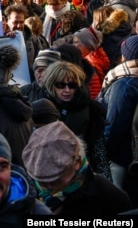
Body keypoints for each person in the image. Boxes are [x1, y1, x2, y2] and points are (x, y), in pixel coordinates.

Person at [22, 121, 131, 215]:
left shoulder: (107, 195)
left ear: (77, 162)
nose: (48, 186)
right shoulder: (23, 190)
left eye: (55, 178)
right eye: (41, 180)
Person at [42, 61, 110, 178]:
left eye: (72, 85)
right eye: (61, 85)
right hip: (51, 174)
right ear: (51, 85)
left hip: (82, 172)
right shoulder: (42, 107)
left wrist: (103, 180)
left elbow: (98, 151)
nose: (67, 90)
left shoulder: (91, 109)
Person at [97, 35, 138, 206]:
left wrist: (105, 153)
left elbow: (114, 125)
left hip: (122, 156)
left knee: (120, 202)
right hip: (131, 154)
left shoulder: (124, 83)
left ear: (124, 56)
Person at [72, 26, 109, 99]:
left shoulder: (90, 64)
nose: (73, 45)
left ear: (88, 45)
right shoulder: (94, 58)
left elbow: (94, 92)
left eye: (76, 42)